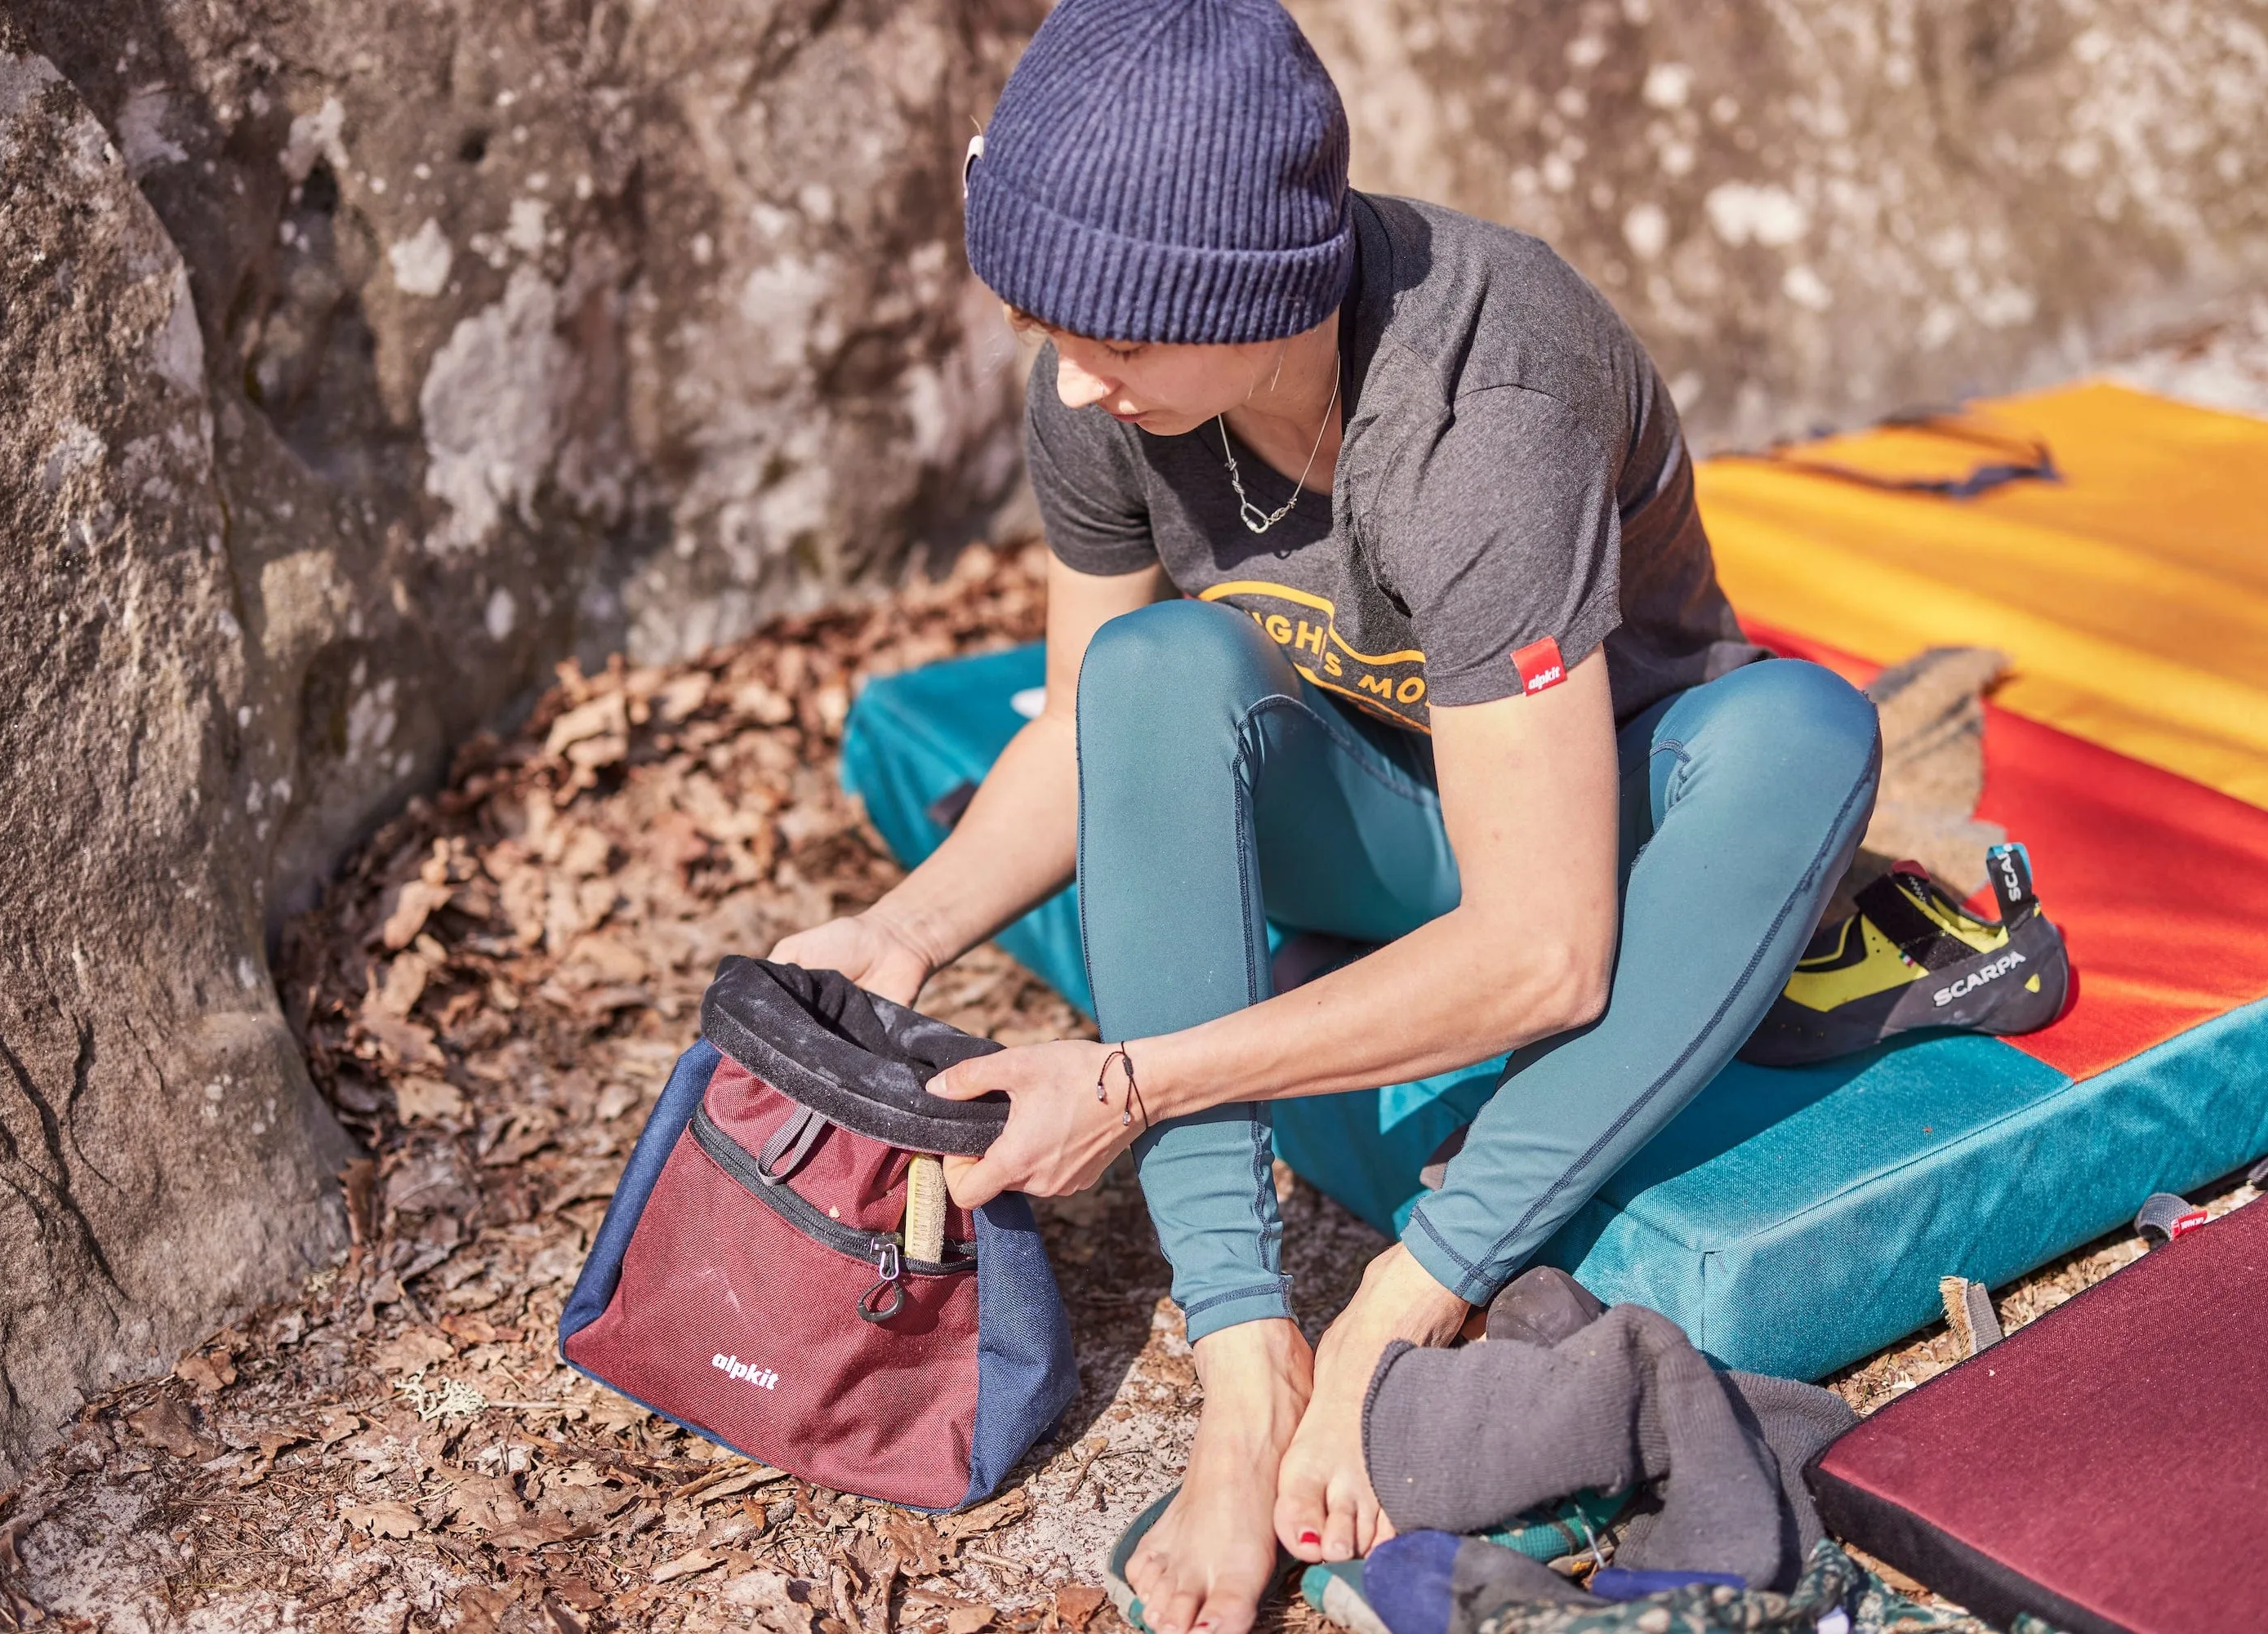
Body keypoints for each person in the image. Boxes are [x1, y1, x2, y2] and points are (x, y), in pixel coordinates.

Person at [767, 2, 1878, 1630]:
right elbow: (1087, 726)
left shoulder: (1480, 411)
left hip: (1612, 832)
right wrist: (898, 930)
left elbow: (1551, 952)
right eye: (1046, 327)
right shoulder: (1100, 393)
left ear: (1253, 298)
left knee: (1806, 732)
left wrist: (1137, 1082)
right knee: (1154, 665)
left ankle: (1384, 1312)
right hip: (1383, 812)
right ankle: (1246, 1355)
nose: (1072, 379)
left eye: (1116, 343)